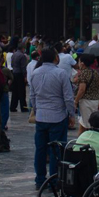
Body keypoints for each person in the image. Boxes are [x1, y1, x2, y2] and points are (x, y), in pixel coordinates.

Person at [30, 49, 76, 188]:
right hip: (57, 116)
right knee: (57, 150)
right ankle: (55, 180)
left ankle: (40, 179)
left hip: (41, 116)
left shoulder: (35, 73)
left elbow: (32, 96)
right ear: (56, 58)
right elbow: (68, 97)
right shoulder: (61, 73)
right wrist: (71, 114)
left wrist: (37, 110)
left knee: (40, 149)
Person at [73, 53, 99, 135]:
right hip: (95, 100)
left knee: (88, 124)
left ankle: (85, 141)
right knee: (86, 123)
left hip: (86, 101)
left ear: (82, 63)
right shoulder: (95, 72)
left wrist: (75, 101)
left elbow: (82, 89)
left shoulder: (83, 73)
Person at [9, 46, 29, 113]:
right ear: (22, 48)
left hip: (14, 73)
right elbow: (23, 67)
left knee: (15, 91)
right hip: (20, 74)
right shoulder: (22, 56)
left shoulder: (13, 55)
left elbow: (12, 65)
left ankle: (13, 107)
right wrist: (25, 76)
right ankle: (23, 107)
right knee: (22, 92)